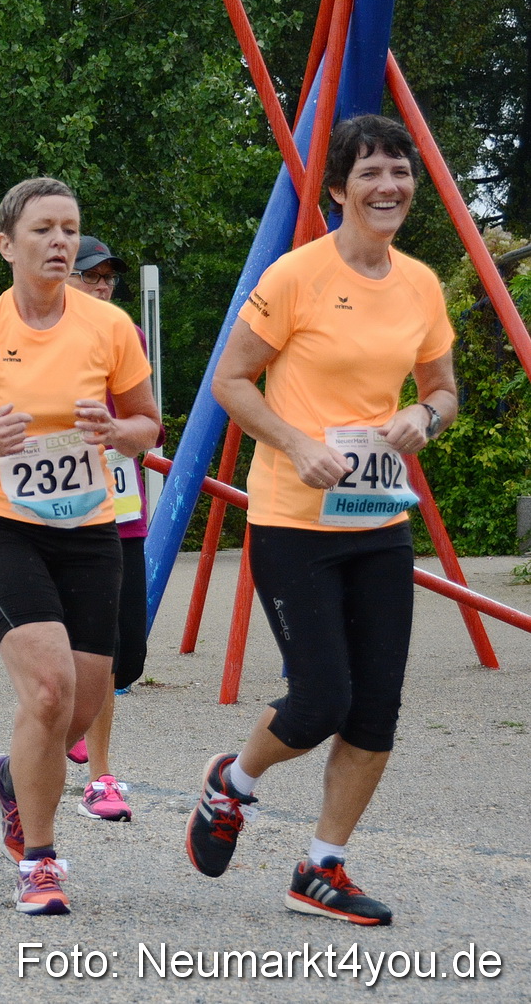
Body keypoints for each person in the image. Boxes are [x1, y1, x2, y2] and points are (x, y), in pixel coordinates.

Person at [187, 115, 457, 926]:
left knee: (377, 707)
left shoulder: (421, 283)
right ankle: (232, 781)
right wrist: (296, 442)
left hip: (376, 517)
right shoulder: (294, 275)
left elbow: (444, 390)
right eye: (370, 173)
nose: (389, 186)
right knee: (320, 700)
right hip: (294, 519)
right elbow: (230, 380)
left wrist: (425, 417)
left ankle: (322, 867)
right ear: (338, 189)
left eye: (400, 173)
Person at [0, 177, 159, 916]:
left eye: (70, 229)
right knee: (47, 688)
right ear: (6, 243)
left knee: (78, 707)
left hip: (90, 529)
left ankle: (16, 777)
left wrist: (118, 433)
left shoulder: (110, 328)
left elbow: (149, 424)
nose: (60, 242)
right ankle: (40, 860)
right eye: (44, 229)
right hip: (5, 527)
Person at [60, 237, 157, 823]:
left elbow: (149, 423)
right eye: (90, 277)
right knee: (89, 648)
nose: (102, 286)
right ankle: (100, 777)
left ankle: (74, 717)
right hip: (59, 520)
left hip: (123, 514)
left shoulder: (127, 337)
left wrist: (120, 432)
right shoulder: (30, 333)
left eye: (109, 278)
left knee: (130, 656)